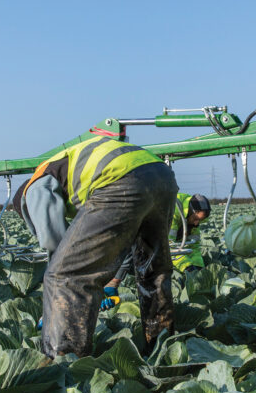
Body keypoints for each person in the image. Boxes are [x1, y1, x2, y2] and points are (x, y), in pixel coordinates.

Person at [13, 135, 178, 358]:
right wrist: (112, 281)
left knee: (65, 276)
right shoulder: (65, 166)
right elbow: (124, 246)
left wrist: (53, 311)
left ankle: (67, 366)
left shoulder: (34, 187)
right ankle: (162, 351)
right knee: (152, 269)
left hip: (119, 178)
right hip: (160, 176)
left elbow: (57, 246)